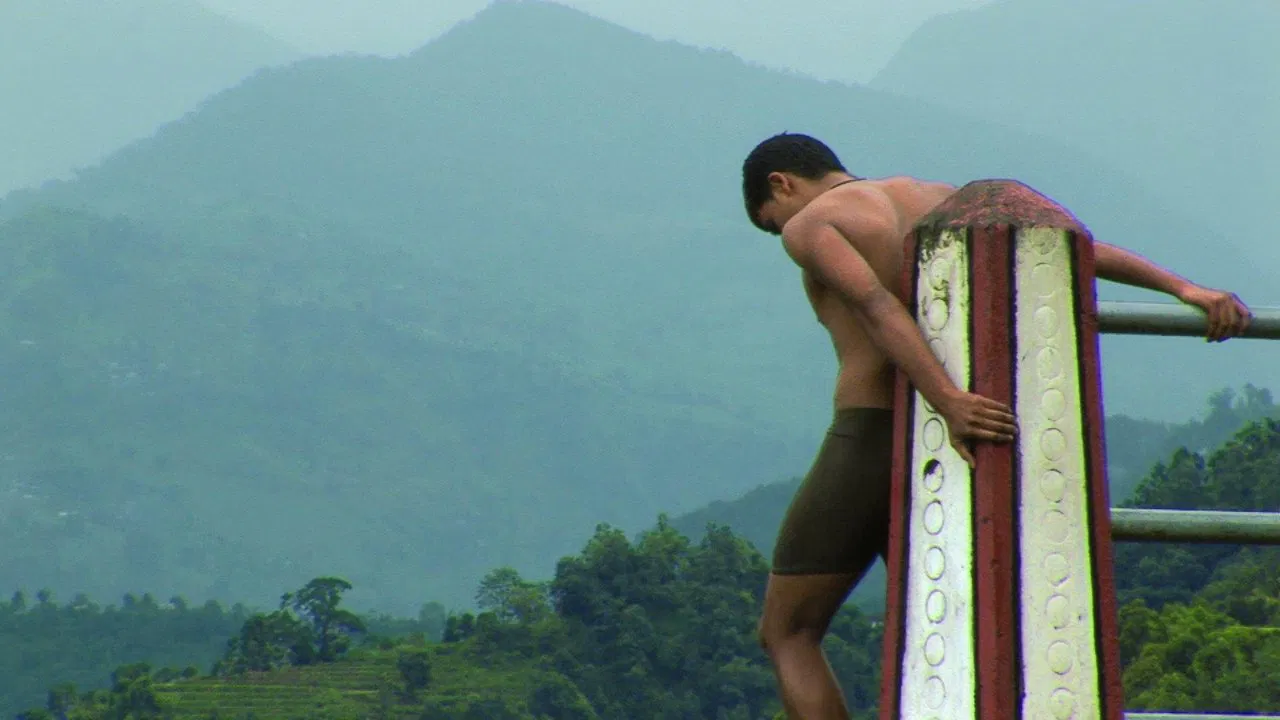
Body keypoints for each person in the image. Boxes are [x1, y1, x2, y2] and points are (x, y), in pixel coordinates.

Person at [741, 132, 1253, 720]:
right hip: (956, 439)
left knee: (786, 632)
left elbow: (878, 309)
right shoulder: (934, 196)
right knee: (942, 611)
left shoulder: (813, 226)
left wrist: (949, 400)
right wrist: (1183, 287)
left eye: (772, 222)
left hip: (878, 430)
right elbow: (1069, 247)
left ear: (781, 184)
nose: (783, 233)